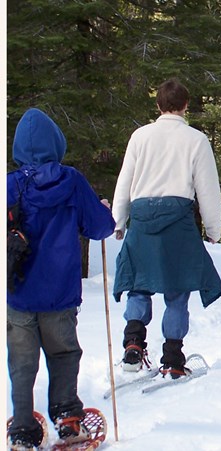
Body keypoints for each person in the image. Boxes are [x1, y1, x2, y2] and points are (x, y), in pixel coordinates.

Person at [6, 108, 116, 449]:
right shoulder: (71, 181)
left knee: (22, 363)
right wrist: (102, 208)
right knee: (64, 353)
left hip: (18, 293)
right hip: (60, 294)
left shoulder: (10, 185)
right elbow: (101, 228)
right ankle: (68, 420)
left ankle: (23, 430)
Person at [112, 78, 221, 379]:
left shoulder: (140, 136)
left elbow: (125, 180)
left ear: (158, 105)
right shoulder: (196, 140)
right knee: (177, 288)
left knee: (139, 281)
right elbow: (208, 189)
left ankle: (133, 343)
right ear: (186, 105)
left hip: (143, 216)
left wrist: (118, 220)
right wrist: (213, 228)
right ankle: (173, 357)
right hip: (178, 218)